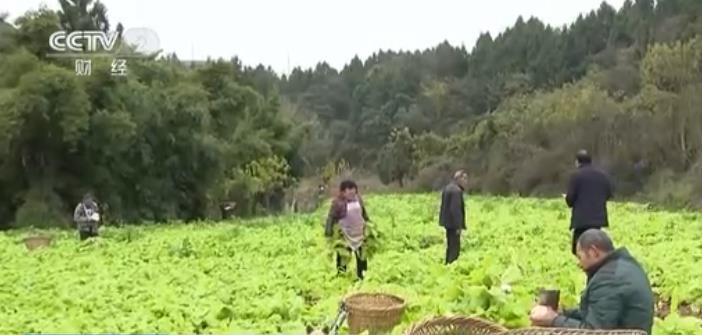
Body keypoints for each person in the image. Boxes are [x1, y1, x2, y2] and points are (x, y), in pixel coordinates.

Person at [529, 229, 654, 334]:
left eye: (580, 257)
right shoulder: (623, 264)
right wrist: (565, 313)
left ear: (593, 252)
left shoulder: (609, 278)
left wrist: (553, 319)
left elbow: (593, 331)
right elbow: (598, 312)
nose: (579, 263)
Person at [565, 150, 614, 255]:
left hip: (581, 220)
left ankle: (585, 266)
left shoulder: (576, 176)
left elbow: (570, 199)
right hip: (598, 219)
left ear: (577, 162)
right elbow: (609, 194)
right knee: (595, 248)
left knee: (578, 249)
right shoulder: (602, 175)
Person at [324, 180, 373, 280]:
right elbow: (331, 218)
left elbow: (364, 213)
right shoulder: (337, 203)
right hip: (344, 236)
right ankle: (342, 277)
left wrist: (369, 225)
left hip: (359, 235)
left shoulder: (358, 199)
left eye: (353, 191)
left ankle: (362, 276)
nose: (351, 194)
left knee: (362, 258)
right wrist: (328, 232)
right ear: (342, 192)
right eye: (349, 192)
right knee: (343, 259)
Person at [439, 170, 467, 264]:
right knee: (455, 247)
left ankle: (447, 263)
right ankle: (452, 265)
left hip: (447, 223)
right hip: (454, 224)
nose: (466, 181)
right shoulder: (456, 191)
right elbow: (455, 210)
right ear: (459, 179)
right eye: (464, 179)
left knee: (450, 245)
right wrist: (458, 226)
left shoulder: (447, 188)